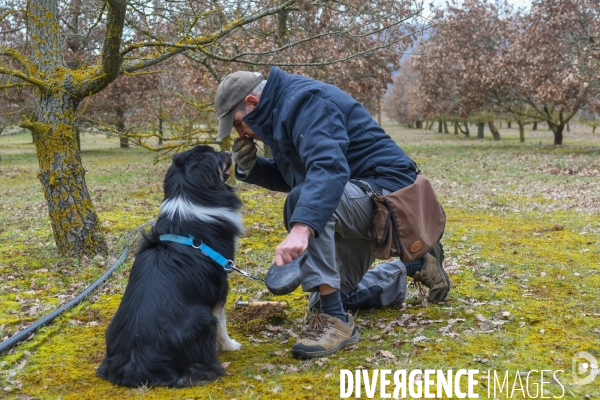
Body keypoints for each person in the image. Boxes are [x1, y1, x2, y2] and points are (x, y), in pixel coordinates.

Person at [214, 68, 450, 359]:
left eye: (239, 124)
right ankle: (415, 266)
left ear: (252, 101)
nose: (242, 133)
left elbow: (328, 169)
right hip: (356, 196)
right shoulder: (278, 115)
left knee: (302, 202)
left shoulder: (307, 102)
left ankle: (337, 323)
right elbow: (297, 174)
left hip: (392, 196)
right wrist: (251, 167)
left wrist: (301, 229)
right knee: (331, 296)